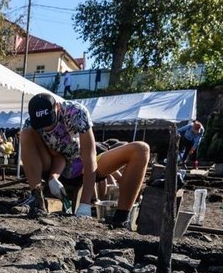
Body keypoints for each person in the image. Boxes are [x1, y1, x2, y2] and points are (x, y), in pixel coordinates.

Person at [20, 93, 150, 227]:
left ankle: (121, 219)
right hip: (55, 167)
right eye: (42, 124)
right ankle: (36, 199)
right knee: (25, 133)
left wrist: (85, 203)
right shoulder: (31, 125)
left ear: (57, 107)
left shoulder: (75, 112)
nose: (47, 128)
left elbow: (89, 156)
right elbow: (57, 156)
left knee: (141, 149)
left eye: (50, 121)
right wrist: (53, 177)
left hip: (83, 165)